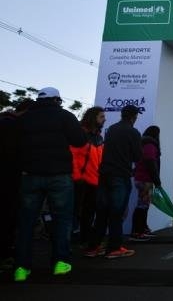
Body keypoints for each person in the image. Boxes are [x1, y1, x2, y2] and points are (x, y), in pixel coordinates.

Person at [14, 87, 87, 282]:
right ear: (56, 100)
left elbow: (15, 145)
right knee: (62, 220)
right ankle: (60, 263)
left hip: (30, 174)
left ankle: (21, 267)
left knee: (26, 222)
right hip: (59, 175)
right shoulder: (64, 116)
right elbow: (79, 141)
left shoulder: (24, 119)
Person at [84, 104, 141, 259]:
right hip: (120, 175)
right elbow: (137, 156)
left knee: (101, 213)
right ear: (134, 117)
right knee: (116, 213)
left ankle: (93, 247)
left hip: (104, 175)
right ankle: (114, 248)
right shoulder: (133, 132)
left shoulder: (111, 130)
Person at [0, 99, 33, 270]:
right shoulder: (13, 126)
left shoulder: (6, 121)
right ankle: (5, 254)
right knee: (8, 216)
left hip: (10, 178)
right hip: (9, 180)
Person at [70, 106, 105, 246]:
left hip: (94, 181)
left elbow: (99, 160)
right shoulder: (80, 134)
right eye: (101, 116)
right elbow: (73, 157)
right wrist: (77, 177)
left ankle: (84, 239)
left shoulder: (99, 137)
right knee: (75, 211)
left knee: (89, 212)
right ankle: (70, 240)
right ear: (93, 117)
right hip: (80, 181)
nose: (104, 119)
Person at [130, 125, 162, 241]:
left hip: (142, 178)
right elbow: (150, 163)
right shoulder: (150, 146)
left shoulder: (143, 144)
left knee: (144, 205)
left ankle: (142, 229)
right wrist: (156, 180)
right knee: (142, 206)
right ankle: (137, 231)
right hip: (145, 180)